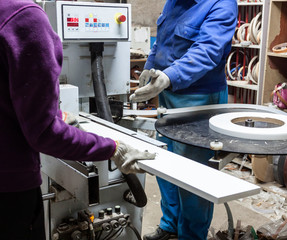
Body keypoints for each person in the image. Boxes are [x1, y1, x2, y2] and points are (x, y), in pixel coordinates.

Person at [0, 1, 155, 239]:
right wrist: (113, 148)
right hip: (10, 191)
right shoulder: (25, 18)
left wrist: (44, 112)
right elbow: (44, 134)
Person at [129, 0, 237, 239]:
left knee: (193, 178)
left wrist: (168, 77)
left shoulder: (221, 4)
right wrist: (149, 69)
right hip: (169, 95)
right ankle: (170, 226)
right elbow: (162, 43)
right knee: (165, 164)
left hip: (199, 98)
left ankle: (191, 235)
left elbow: (208, 50)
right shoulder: (174, 2)